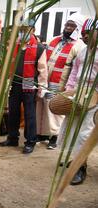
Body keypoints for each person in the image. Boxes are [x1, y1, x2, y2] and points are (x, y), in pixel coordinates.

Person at [56, 18, 98, 185]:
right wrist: (69, 90)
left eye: (88, 33)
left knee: (84, 133)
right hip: (78, 93)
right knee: (72, 128)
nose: (85, 37)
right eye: (83, 34)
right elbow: (74, 72)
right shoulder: (82, 51)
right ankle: (74, 159)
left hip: (94, 96)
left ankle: (81, 167)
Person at [36, 14, 86, 149]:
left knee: (56, 108)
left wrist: (70, 87)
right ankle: (43, 133)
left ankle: (55, 136)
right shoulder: (55, 40)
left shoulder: (79, 45)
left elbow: (76, 69)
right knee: (44, 105)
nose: (68, 28)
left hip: (62, 83)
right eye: (67, 25)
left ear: (78, 28)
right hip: (46, 79)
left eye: (72, 25)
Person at [0, 20, 48, 154]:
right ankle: (12, 137)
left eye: (26, 29)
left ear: (33, 30)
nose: (23, 32)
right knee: (13, 111)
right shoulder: (13, 46)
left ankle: (30, 141)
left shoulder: (39, 48)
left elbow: (43, 69)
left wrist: (42, 87)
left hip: (29, 84)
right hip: (14, 83)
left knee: (29, 114)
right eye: (21, 30)